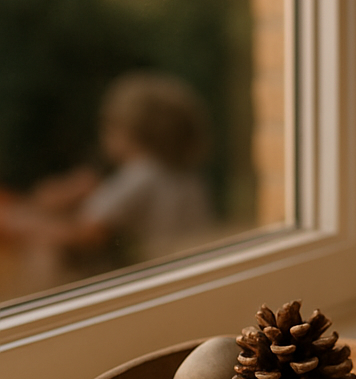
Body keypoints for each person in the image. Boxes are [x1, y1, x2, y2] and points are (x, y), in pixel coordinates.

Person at [2, 72, 213, 275]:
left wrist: (22, 224)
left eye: (108, 126)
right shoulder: (184, 176)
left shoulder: (141, 174)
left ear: (128, 130)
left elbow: (87, 232)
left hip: (156, 275)